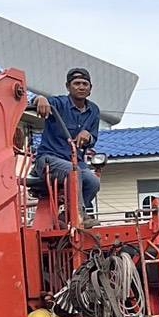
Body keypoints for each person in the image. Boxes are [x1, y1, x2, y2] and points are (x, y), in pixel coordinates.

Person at [33, 67, 103, 214]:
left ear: (90, 89)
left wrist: (88, 135)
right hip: (48, 159)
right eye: (77, 83)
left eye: (85, 84)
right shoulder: (58, 104)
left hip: (75, 162)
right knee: (75, 172)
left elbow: (93, 139)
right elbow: (37, 100)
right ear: (68, 87)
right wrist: (40, 99)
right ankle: (78, 215)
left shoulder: (94, 110)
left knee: (93, 182)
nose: (81, 87)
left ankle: (69, 215)